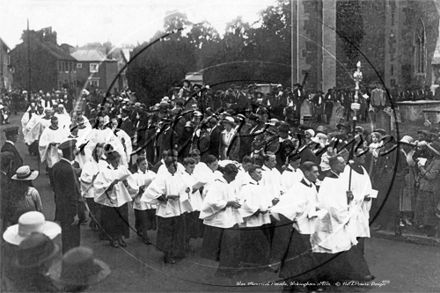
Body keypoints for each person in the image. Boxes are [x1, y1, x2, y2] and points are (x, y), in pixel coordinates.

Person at [311, 155, 374, 283]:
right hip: (333, 220)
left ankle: (358, 274)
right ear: (334, 165)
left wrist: (350, 197)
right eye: (341, 163)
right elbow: (328, 204)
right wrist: (343, 218)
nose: (344, 165)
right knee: (336, 248)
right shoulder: (329, 181)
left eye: (344, 162)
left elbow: (342, 198)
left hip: (341, 217)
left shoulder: (339, 179)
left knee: (345, 246)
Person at [271, 162, 322, 292]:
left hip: (309, 228)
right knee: (298, 261)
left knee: (301, 261)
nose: (318, 174)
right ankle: (298, 286)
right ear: (306, 173)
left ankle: (298, 286)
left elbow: (315, 204)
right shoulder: (298, 189)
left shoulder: (312, 187)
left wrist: (316, 211)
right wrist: (300, 218)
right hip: (299, 230)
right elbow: (284, 210)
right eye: (315, 172)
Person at [141, 157, 189, 263]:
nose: (175, 167)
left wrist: (186, 190)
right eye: (172, 165)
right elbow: (150, 193)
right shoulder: (161, 178)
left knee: (178, 231)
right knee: (167, 233)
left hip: (178, 208)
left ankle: (176, 252)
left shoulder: (178, 176)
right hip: (166, 210)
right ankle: (167, 255)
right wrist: (167, 197)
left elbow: (184, 187)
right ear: (167, 166)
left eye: (176, 165)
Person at [200, 163, 242, 278]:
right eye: (233, 175)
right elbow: (211, 202)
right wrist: (228, 203)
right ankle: (223, 271)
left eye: (236, 175)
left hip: (231, 219)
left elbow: (235, 196)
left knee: (233, 244)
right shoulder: (217, 185)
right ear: (225, 173)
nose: (234, 178)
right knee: (226, 246)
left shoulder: (231, 184)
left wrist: (237, 201)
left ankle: (231, 267)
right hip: (221, 220)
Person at [94, 150, 138, 248]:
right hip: (111, 202)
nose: (117, 163)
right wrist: (111, 184)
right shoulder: (104, 172)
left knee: (121, 220)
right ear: (110, 161)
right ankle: (113, 239)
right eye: (115, 161)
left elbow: (133, 184)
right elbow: (98, 187)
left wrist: (127, 183)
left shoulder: (123, 169)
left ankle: (120, 237)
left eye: (118, 161)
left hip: (121, 200)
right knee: (112, 221)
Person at [238, 165, 272, 273]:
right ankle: (250, 266)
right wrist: (257, 210)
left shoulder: (261, 186)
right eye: (258, 173)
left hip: (262, 219)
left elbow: (266, 199)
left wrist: (267, 207)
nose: (261, 175)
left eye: (261, 172)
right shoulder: (246, 187)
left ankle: (262, 265)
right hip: (251, 220)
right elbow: (245, 203)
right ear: (251, 174)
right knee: (252, 244)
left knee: (263, 243)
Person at [52, 139, 82, 253]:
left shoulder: (56, 166)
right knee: (73, 238)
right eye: (74, 150)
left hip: (61, 207)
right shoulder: (69, 169)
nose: (75, 152)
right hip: (70, 209)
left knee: (66, 236)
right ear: (70, 152)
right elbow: (72, 193)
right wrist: (75, 213)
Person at [415, 141, 440, 237]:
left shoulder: (437, 162)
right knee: (424, 209)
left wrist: (421, 168)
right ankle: (425, 227)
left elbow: (431, 176)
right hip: (424, 188)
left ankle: (430, 230)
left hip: (431, 189)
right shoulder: (432, 160)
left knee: (429, 210)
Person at [80, 143, 106, 232]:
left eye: (100, 152)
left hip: (102, 190)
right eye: (97, 152)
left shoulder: (104, 163)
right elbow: (83, 178)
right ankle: (96, 223)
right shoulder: (88, 165)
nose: (99, 154)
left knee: (100, 209)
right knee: (95, 209)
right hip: (91, 191)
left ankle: (95, 222)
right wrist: (93, 177)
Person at [131, 156, 157, 245]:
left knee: (150, 217)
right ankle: (145, 236)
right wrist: (139, 189)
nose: (145, 166)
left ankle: (140, 229)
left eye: (146, 164)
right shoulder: (134, 176)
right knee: (143, 218)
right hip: (140, 200)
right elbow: (132, 189)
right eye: (142, 164)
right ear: (138, 165)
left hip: (150, 199)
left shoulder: (152, 174)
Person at [39, 116, 68, 186]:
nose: (56, 125)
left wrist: (61, 144)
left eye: (57, 123)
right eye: (54, 123)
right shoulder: (47, 131)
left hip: (59, 152)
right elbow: (42, 143)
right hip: (51, 152)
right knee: (51, 166)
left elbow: (64, 139)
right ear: (51, 122)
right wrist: (49, 143)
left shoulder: (60, 130)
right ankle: (52, 182)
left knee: (60, 166)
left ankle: (59, 181)